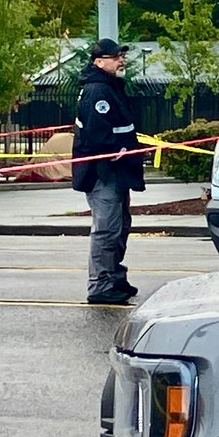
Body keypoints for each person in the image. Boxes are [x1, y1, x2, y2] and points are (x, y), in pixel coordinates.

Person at [72, 38, 146, 305]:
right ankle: (100, 285)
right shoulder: (97, 92)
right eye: (115, 57)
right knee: (106, 229)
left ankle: (114, 277)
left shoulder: (110, 88)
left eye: (121, 56)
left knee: (119, 226)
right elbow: (97, 135)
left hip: (116, 172)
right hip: (102, 173)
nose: (121, 60)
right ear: (99, 62)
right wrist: (121, 150)